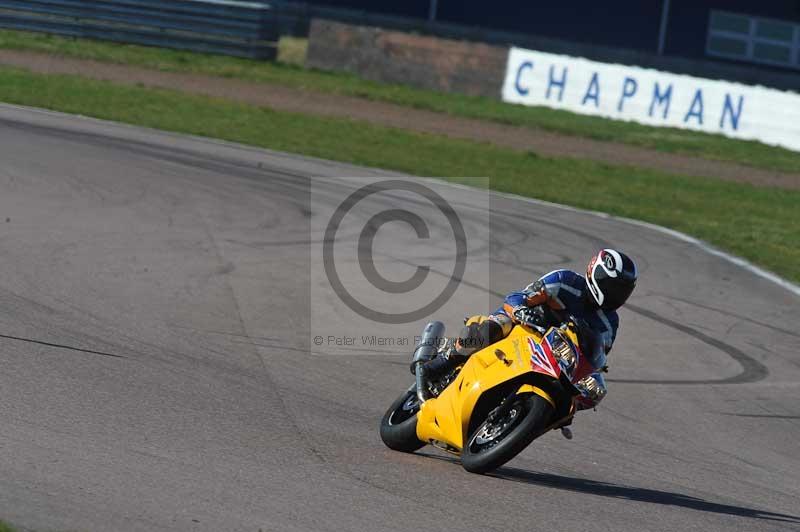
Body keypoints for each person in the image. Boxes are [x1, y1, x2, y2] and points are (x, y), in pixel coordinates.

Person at [420, 249, 638, 438]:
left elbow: (597, 354)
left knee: (590, 391)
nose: (616, 295)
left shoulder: (610, 322)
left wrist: (588, 382)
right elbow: (519, 297)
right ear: (596, 273)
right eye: (612, 287)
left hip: (556, 355)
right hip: (524, 328)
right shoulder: (565, 280)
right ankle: (442, 362)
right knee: (495, 327)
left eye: (622, 291)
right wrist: (522, 311)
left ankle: (536, 420)